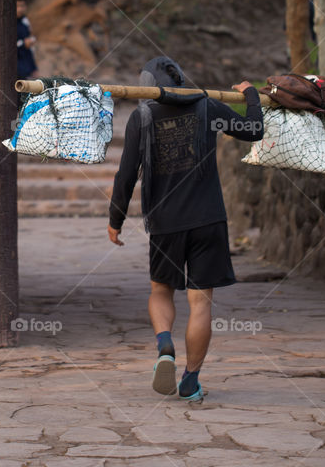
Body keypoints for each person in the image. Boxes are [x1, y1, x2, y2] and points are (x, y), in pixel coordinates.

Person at [107, 57, 263, 400]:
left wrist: (115, 220)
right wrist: (251, 94)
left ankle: (165, 346)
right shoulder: (207, 106)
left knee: (161, 291)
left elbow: (126, 175)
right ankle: (191, 380)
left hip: (166, 225)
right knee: (201, 303)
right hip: (209, 220)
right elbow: (254, 131)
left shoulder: (142, 117)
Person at [16, 0, 39, 79]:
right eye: (17, 6)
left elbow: (29, 49)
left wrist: (34, 68)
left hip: (25, 70)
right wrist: (23, 43)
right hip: (13, 69)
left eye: (22, 6)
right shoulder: (8, 24)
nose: (20, 9)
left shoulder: (25, 22)